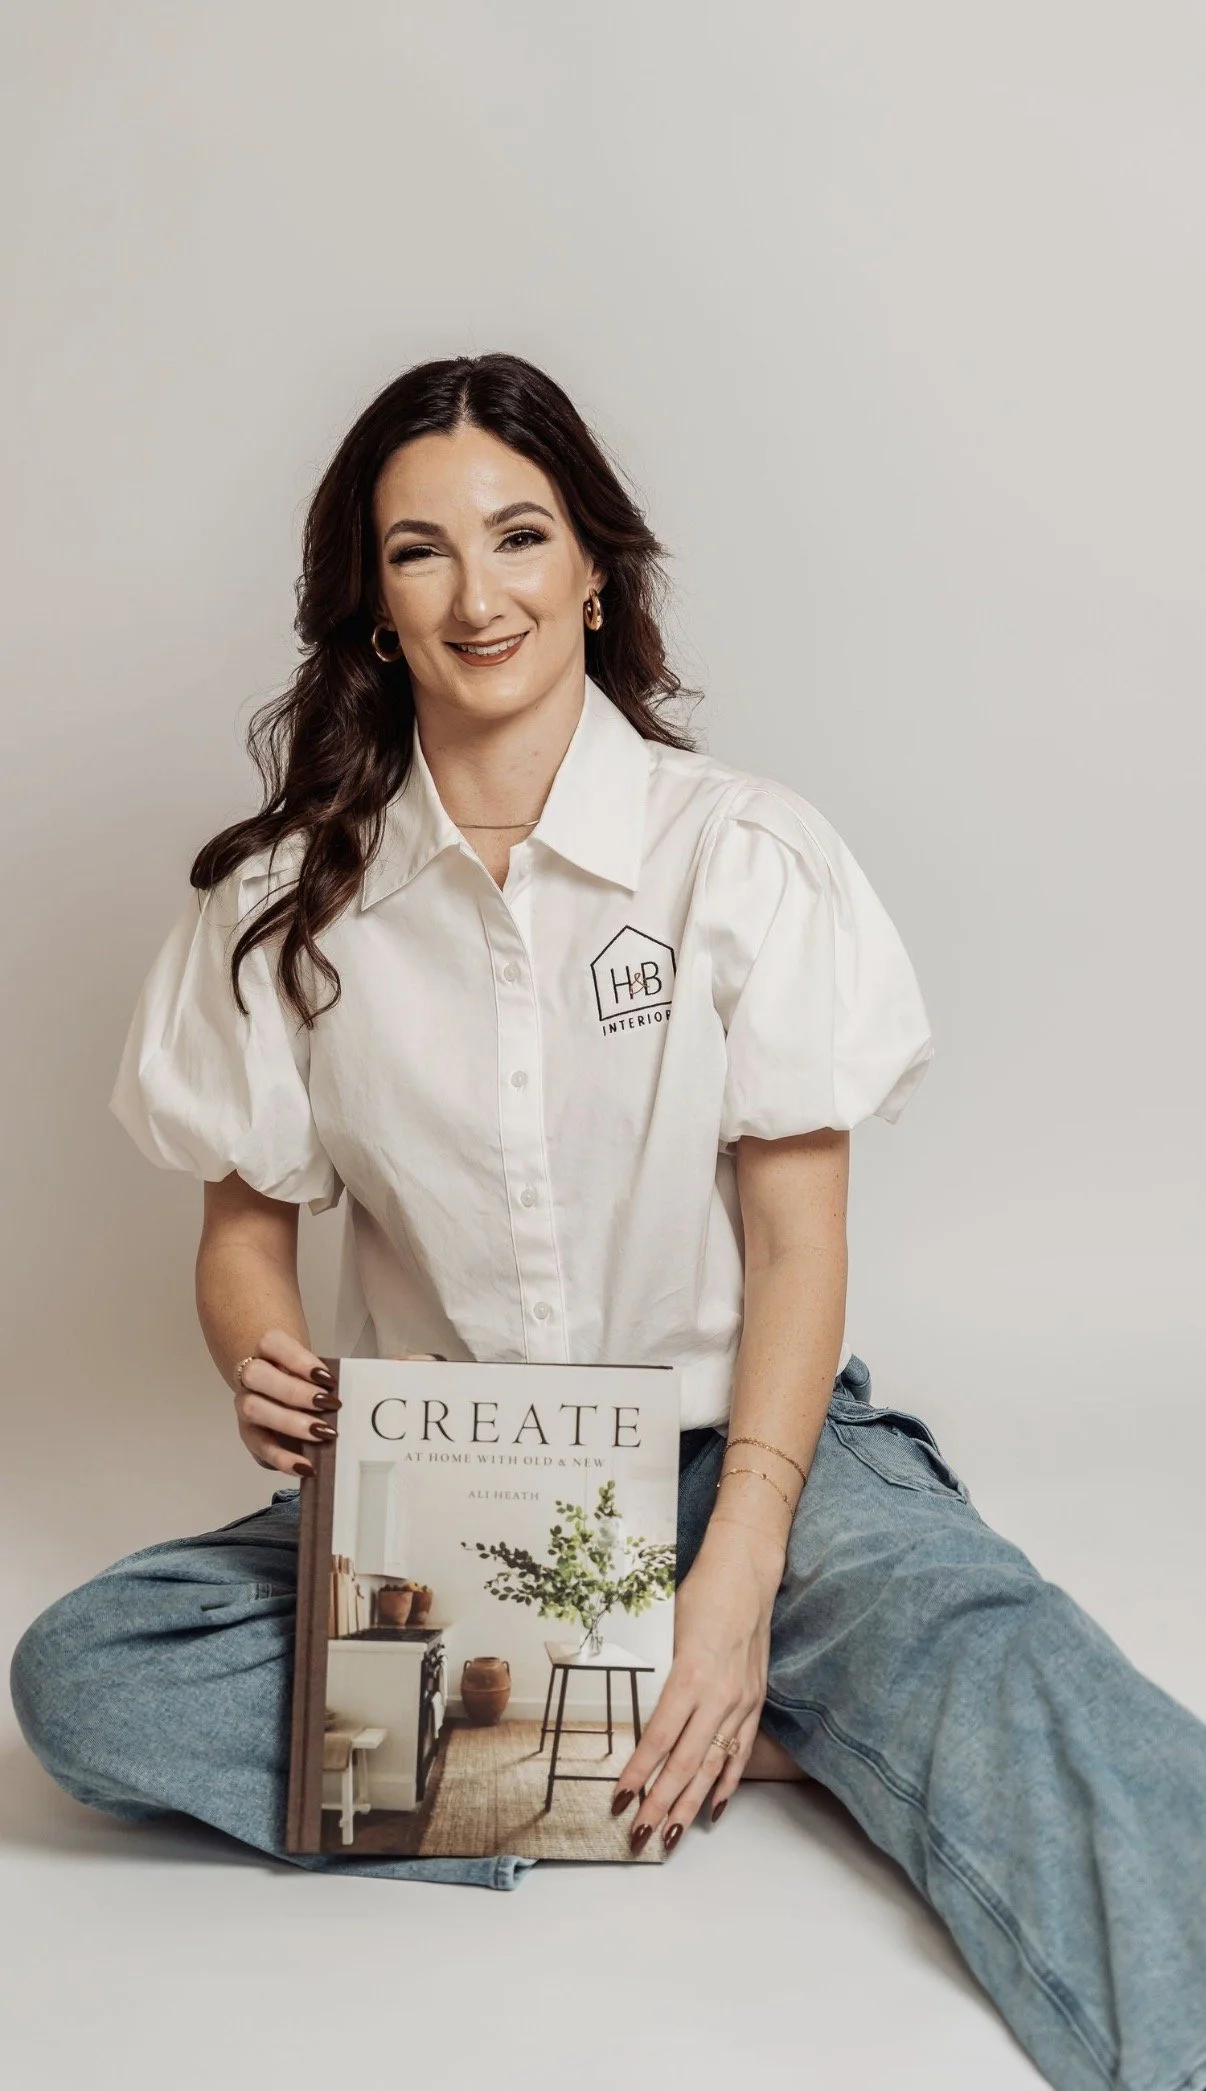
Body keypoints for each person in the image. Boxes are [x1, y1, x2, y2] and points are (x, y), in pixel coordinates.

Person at [10, 352, 1205, 2091]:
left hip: (747, 1454)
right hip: (449, 1488)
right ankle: (733, 1731)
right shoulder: (279, 904)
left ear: (594, 569)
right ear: (370, 607)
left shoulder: (743, 857)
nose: (476, 593)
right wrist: (256, 1354)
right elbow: (242, 1235)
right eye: (418, 552)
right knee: (90, 1681)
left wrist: (734, 1580)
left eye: (518, 535)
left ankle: (682, 1696)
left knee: (1022, 1682)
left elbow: (799, 1248)